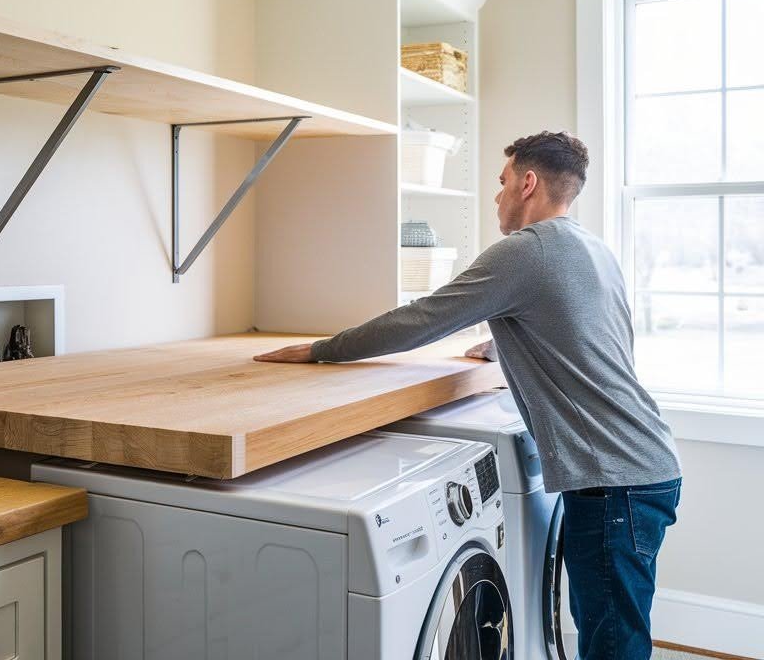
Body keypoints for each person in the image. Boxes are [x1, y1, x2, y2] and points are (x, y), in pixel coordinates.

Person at [255, 131, 681, 660]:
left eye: (502, 184)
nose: (497, 198)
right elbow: (590, 335)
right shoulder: (590, 248)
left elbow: (422, 318)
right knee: (613, 631)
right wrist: (500, 344)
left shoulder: (525, 252)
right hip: (641, 466)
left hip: (615, 481)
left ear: (528, 183)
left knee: (612, 644)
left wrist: (324, 349)